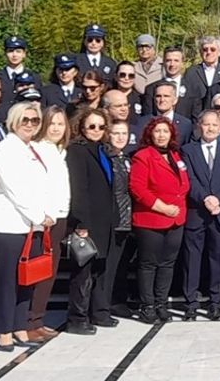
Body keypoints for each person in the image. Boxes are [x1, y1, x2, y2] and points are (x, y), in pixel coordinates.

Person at [0, 101, 56, 351]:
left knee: (28, 278)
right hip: (11, 225)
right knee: (8, 280)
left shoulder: (32, 149)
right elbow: (15, 189)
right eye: (25, 120)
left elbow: (43, 185)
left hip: (33, 224)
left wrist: (48, 214)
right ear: (14, 122)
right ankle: (4, 330)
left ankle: (19, 326)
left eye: (35, 120)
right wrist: (40, 216)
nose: (30, 125)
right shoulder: (6, 149)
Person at [130, 117, 190, 324]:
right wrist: (162, 207)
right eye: (157, 131)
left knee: (167, 264)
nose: (162, 135)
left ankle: (161, 303)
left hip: (175, 220)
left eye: (166, 131)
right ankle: (147, 306)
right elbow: (138, 189)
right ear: (150, 134)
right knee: (149, 264)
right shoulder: (142, 156)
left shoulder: (175, 156)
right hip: (152, 219)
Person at [182, 110, 220, 320]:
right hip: (197, 212)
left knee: (218, 260)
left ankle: (215, 303)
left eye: (215, 125)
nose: (211, 128)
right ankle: (191, 303)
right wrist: (205, 198)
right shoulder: (188, 150)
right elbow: (188, 178)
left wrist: (218, 199)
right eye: (206, 124)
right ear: (199, 126)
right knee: (192, 260)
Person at [64, 109, 117, 334]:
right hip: (87, 220)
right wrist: (80, 223)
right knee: (83, 272)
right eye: (91, 126)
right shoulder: (77, 151)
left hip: (104, 219)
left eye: (101, 126)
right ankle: (77, 318)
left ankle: (98, 312)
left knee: (98, 269)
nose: (96, 131)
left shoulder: (103, 150)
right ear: (82, 127)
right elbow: (79, 188)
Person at [27, 105, 70, 342]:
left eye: (60, 124)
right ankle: (30, 320)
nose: (56, 128)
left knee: (50, 271)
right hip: (44, 218)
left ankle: (38, 319)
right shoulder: (36, 149)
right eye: (52, 123)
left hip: (60, 216)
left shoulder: (60, 150)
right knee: (39, 270)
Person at [101, 121, 135, 319]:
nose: (120, 137)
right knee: (108, 265)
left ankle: (117, 301)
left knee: (121, 264)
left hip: (127, 219)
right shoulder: (107, 158)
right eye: (116, 133)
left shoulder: (126, 158)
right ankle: (103, 305)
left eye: (124, 133)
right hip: (112, 219)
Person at [181, 36, 220, 116]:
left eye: (212, 49)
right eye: (205, 49)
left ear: (219, 52)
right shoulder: (191, 72)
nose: (209, 52)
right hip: (198, 116)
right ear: (201, 52)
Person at [0, 36, 30, 109]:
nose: (14, 55)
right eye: (10, 51)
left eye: (18, 51)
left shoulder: (34, 77)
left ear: (24, 54)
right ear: (5, 53)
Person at [132, 34, 166, 99]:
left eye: (148, 47)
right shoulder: (132, 66)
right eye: (141, 47)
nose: (144, 50)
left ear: (154, 48)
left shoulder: (163, 65)